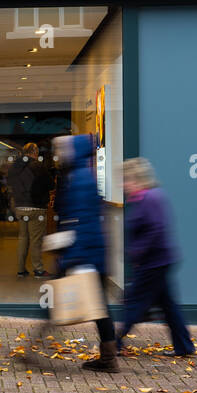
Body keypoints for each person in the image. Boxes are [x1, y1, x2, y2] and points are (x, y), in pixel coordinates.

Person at [54, 134, 120, 372]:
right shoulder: (80, 176)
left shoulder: (79, 179)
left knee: (64, 303)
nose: (59, 152)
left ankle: (109, 358)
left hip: (86, 254)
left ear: (74, 151)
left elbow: (78, 222)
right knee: (100, 308)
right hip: (92, 253)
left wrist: (70, 257)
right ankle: (109, 356)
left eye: (63, 148)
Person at [117, 158, 194, 357]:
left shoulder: (149, 198)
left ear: (136, 179)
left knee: (134, 303)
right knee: (169, 306)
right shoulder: (148, 197)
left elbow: (156, 228)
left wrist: (138, 251)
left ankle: (114, 344)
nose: (123, 184)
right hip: (160, 260)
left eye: (126, 180)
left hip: (153, 262)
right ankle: (184, 346)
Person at [6, 142, 47, 278]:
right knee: (36, 240)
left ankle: (21, 270)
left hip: (19, 207)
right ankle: (38, 269)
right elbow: (50, 183)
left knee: (23, 238)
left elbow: (10, 184)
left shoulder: (14, 167)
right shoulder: (38, 166)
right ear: (34, 151)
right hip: (35, 207)